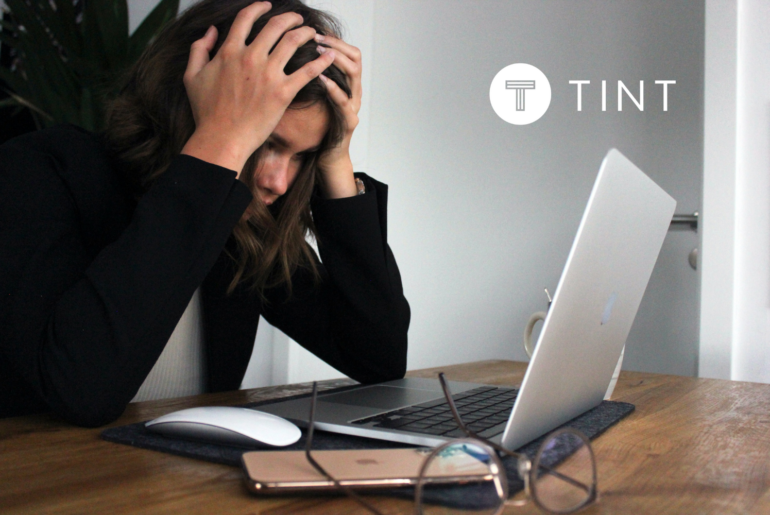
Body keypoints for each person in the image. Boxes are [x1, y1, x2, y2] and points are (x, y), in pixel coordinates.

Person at [0, 0, 410, 426]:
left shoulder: (241, 224)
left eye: (301, 156)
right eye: (266, 141)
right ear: (188, 100)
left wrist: (335, 159)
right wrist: (221, 142)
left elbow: (377, 358)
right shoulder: (37, 172)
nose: (278, 182)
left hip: (187, 487)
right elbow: (81, 391)